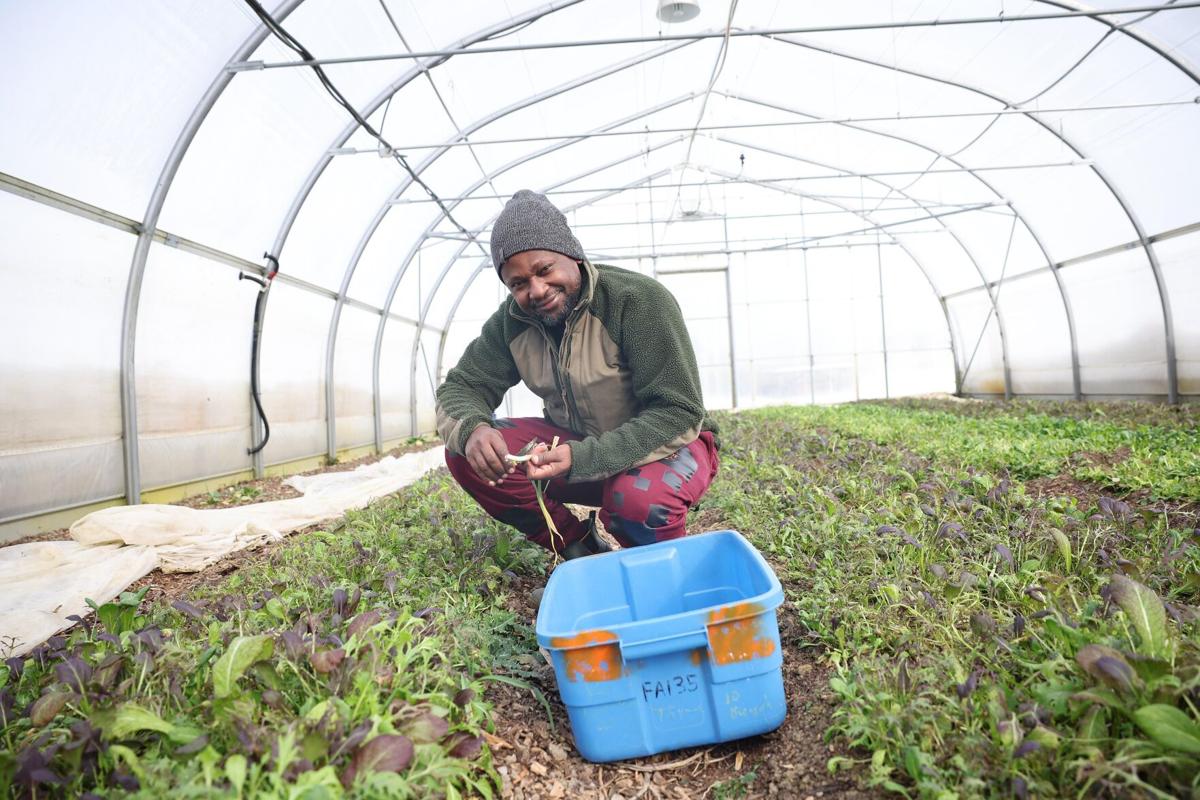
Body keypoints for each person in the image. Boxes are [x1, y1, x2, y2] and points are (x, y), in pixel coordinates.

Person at [435, 189, 719, 559]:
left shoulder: (636, 301)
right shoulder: (512, 322)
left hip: (670, 448)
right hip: (576, 447)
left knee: (636, 502)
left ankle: (661, 574)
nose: (536, 290)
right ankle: (579, 550)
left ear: (573, 255)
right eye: (518, 283)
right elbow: (463, 386)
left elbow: (678, 412)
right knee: (465, 454)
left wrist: (583, 457)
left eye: (544, 269)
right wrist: (473, 429)